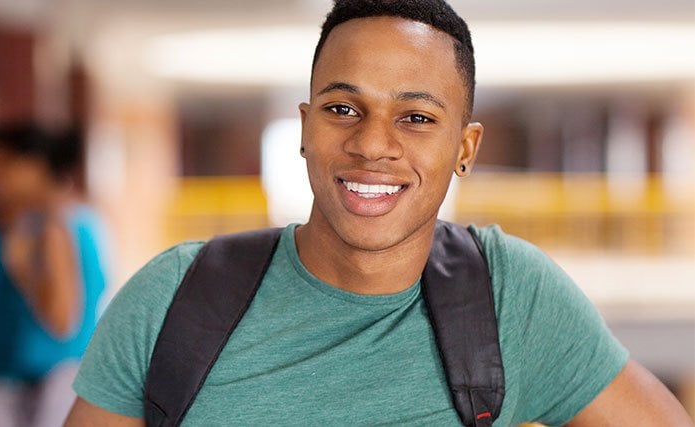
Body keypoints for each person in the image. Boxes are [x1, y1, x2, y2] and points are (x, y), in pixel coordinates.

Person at [64, 1, 693, 426]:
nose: (372, 144)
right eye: (342, 109)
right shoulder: (174, 297)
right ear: (305, 128)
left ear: (464, 149)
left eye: (416, 118)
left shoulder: (512, 298)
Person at [0, 123, 108, 427]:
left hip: (57, 380)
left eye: (2, 167)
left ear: (35, 167)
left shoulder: (63, 227)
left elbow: (62, 320)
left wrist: (24, 269)